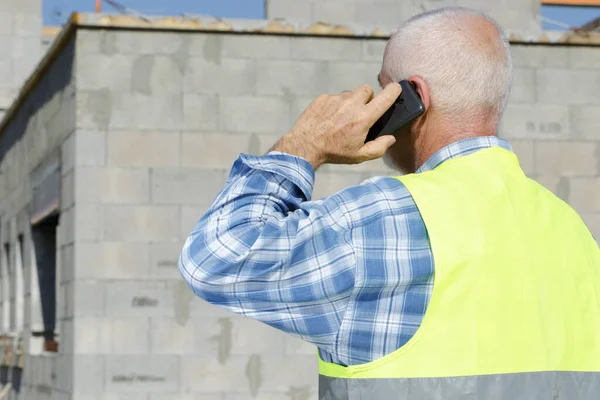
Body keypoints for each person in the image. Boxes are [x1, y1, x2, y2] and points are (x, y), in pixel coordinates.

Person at [179, 6, 600, 400]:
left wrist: (304, 145)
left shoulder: (381, 217)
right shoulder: (573, 231)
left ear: (413, 97)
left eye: (385, 91)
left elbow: (215, 258)